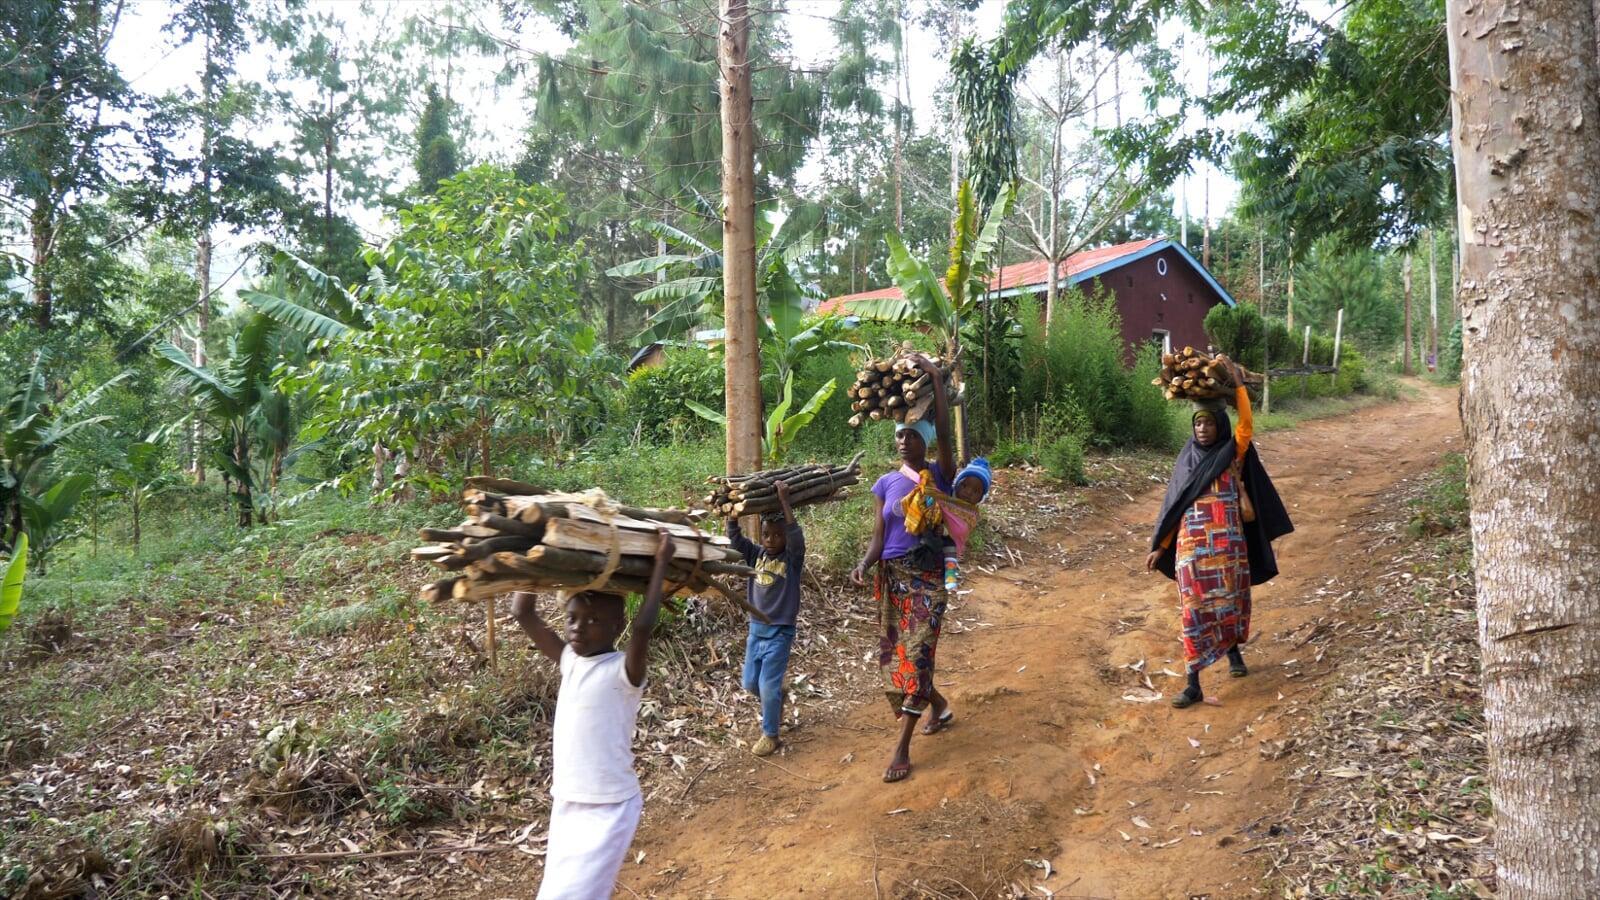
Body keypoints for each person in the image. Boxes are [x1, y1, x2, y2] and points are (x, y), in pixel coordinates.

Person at [509, 530, 676, 900]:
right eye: (572, 617)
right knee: (555, 890)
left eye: (592, 620)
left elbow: (644, 627)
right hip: (568, 798)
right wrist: (540, 553)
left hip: (611, 803)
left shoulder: (624, 672)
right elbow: (522, 612)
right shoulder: (569, 662)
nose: (577, 627)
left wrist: (661, 563)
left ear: (617, 627)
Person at [1145, 366, 1293, 709]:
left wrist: (1239, 385)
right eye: (1197, 423)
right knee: (1193, 611)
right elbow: (1175, 507)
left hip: (1228, 549)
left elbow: (1246, 425)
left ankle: (1233, 652)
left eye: (1209, 422)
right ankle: (1193, 683)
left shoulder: (1233, 451)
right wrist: (1161, 547)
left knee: (1228, 602)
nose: (1202, 428)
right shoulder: (1186, 460)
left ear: (1220, 425)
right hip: (1192, 551)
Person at [849, 353, 956, 783]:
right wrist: (863, 562)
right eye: (899, 436)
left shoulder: (940, 474)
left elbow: (948, 435)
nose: (904, 441)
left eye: (912, 435)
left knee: (918, 652)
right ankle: (941, 705)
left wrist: (933, 377)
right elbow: (879, 537)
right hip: (892, 579)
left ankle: (902, 747)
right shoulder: (885, 484)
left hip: (928, 577)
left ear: (925, 440)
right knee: (901, 656)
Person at [726, 479, 804, 757]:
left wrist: (785, 501)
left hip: (780, 633)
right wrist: (732, 511)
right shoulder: (756, 555)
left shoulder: (792, 559)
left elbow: (796, 536)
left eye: (776, 535)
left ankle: (771, 734)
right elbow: (735, 539)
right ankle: (776, 698)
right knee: (750, 684)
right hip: (755, 631)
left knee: (767, 686)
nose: (770, 540)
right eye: (766, 534)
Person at [940, 457, 992, 592]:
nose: (968, 492)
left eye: (975, 491)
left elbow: (960, 530)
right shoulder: (945, 496)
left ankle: (950, 576)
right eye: (964, 485)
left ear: (981, 498)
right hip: (932, 538)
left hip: (950, 543)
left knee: (949, 550)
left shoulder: (971, 513)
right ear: (956, 484)